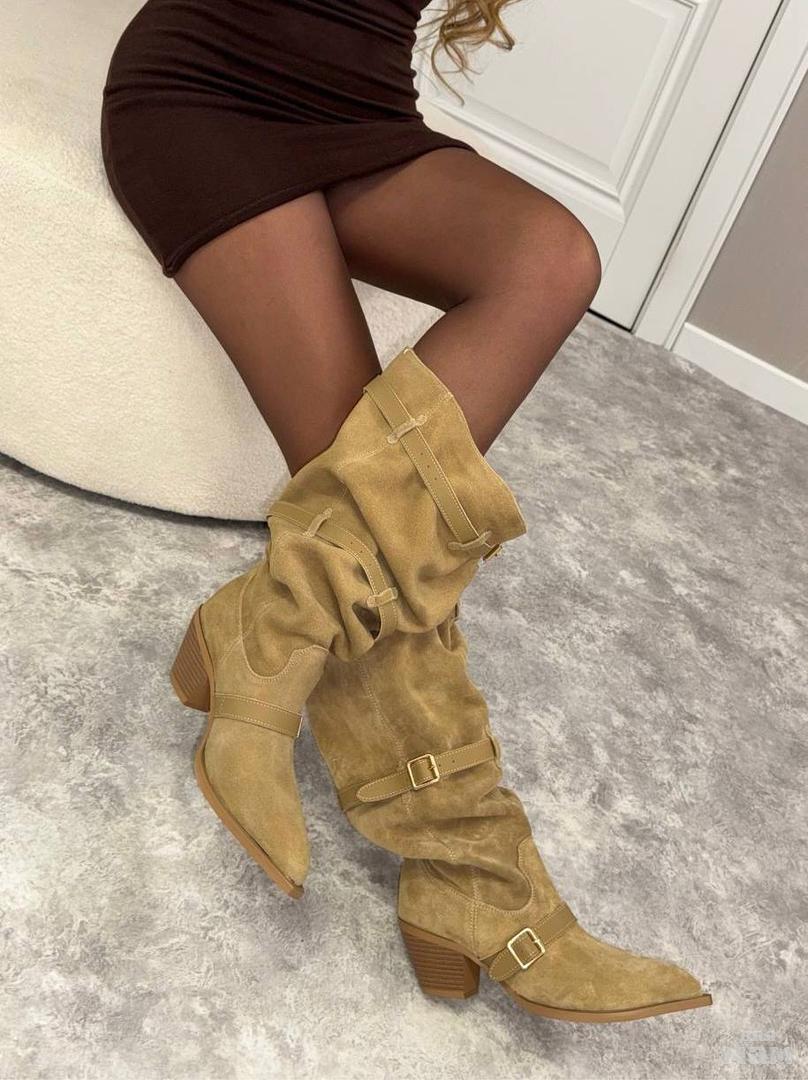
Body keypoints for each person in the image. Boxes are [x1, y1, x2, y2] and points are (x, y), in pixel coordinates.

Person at [100, 0, 711, 1023]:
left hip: (359, 108)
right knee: (368, 491)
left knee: (553, 257)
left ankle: (269, 621)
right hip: (204, 88)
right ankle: (478, 881)